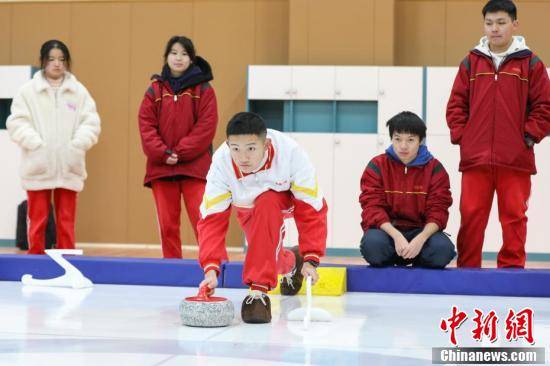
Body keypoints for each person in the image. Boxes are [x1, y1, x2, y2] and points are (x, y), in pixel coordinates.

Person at [446, 0, 550, 268]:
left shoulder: (532, 64)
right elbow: (456, 104)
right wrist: (464, 137)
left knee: (514, 217)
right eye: (489, 23)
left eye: (501, 23)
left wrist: (528, 137)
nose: (495, 29)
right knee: (470, 217)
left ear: (514, 24)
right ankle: (468, 272)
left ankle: (512, 271)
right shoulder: (470, 62)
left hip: (515, 158)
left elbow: (545, 107)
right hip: (476, 159)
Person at [197, 112, 327, 324]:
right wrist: (211, 268)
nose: (243, 157)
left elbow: (311, 208)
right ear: (228, 144)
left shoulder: (291, 153)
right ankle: (291, 262)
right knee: (265, 247)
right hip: (246, 206)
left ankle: (258, 292)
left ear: (266, 144)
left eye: (251, 148)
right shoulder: (220, 163)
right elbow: (212, 219)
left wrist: (312, 257)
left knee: (267, 203)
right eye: (235, 149)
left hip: (284, 199)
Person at [6, 39, 101, 255]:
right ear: (43, 62)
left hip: (69, 166)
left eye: (61, 59)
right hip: (37, 165)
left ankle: (68, 262)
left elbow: (91, 122)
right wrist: (35, 145)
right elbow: (17, 122)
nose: (57, 64)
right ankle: (35, 260)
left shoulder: (79, 91)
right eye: (51, 59)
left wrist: (77, 145)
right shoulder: (27, 91)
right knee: (38, 220)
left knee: (66, 221)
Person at [138, 36, 218, 259]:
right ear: (166, 57)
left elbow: (207, 126)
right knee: (167, 227)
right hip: (161, 169)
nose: (178, 58)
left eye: (184, 53)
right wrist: (164, 153)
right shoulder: (154, 90)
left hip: (195, 169)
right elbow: (146, 126)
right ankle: (172, 269)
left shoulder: (204, 89)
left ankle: (214, 267)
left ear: (191, 59)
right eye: (174, 53)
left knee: (203, 221)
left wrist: (179, 152)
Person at [359, 111, 455, 268]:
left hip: (421, 233)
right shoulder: (377, 166)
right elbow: (372, 208)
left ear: (420, 140)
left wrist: (421, 238)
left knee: (442, 250)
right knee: (373, 245)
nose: (403, 146)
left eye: (410, 140)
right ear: (391, 139)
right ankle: (390, 258)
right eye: (397, 139)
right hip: (388, 233)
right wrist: (396, 236)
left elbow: (439, 210)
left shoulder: (435, 169)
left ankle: (418, 258)